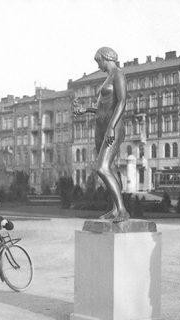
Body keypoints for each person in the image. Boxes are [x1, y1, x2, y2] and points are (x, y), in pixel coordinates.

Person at [73, 46, 130, 223]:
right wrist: (86, 110)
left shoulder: (118, 74)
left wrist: (112, 127)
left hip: (112, 127)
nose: (99, 66)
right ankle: (114, 209)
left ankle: (122, 210)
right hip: (102, 127)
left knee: (101, 168)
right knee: (110, 169)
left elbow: (122, 101)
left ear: (106, 58)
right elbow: (103, 107)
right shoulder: (108, 78)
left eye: (99, 62)